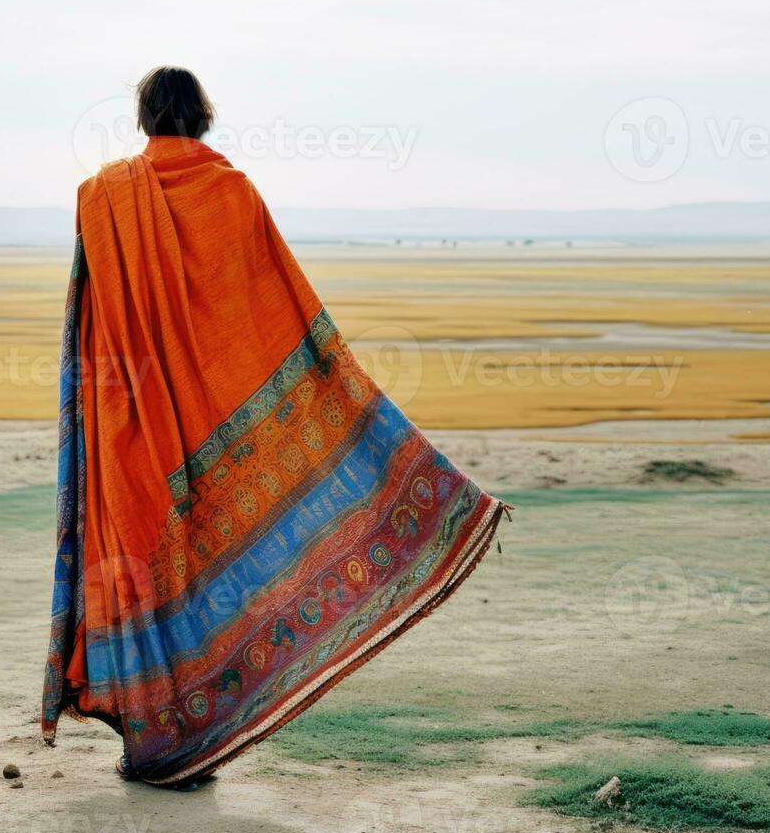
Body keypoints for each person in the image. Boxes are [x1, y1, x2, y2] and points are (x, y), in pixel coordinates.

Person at [43, 66, 507, 786]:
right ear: (201, 117)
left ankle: (154, 743)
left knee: (142, 556)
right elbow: (272, 308)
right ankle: (194, 740)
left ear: (143, 119)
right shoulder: (230, 194)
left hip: (126, 422)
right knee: (201, 567)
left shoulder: (101, 198)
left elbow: (93, 323)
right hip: (211, 419)